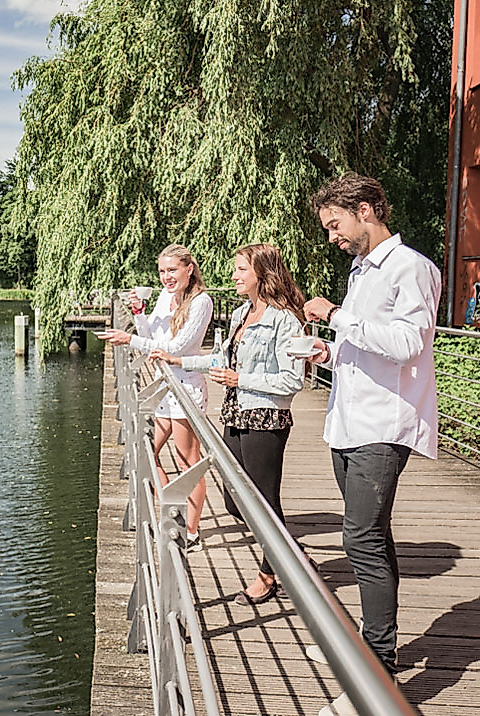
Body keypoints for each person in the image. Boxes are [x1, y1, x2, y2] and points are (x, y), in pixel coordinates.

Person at [304, 173, 440, 716]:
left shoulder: (411, 268)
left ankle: (376, 670)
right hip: (348, 422)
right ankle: (375, 651)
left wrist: (336, 316)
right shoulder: (361, 270)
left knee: (359, 538)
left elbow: (408, 344)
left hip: (382, 426)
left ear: (365, 209)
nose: (332, 237)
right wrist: (328, 351)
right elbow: (365, 343)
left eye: (335, 224)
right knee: (372, 537)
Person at [153, 243, 311, 605]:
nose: (234, 275)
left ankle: (269, 576)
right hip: (236, 414)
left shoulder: (285, 319)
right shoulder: (241, 313)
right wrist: (179, 361)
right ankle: (290, 553)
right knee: (234, 501)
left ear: (262, 273)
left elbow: (292, 380)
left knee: (264, 502)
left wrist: (241, 380)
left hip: (266, 417)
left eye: (241, 269)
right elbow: (220, 359)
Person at [101, 244, 213, 550]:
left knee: (187, 461)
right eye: (162, 271)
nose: (166, 277)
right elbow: (151, 337)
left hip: (185, 388)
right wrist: (139, 314)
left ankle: (191, 531)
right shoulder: (165, 296)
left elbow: (174, 349)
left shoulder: (201, 302)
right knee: (147, 453)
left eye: (172, 270)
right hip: (165, 386)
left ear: (189, 268)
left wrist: (128, 339)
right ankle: (171, 511)